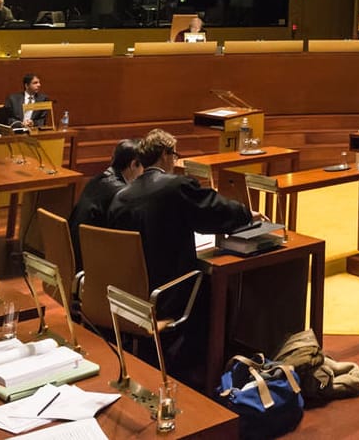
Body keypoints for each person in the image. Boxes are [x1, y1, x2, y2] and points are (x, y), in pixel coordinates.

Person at [106, 129, 255, 379]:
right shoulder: (176, 186)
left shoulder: (121, 196)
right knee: (218, 290)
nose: (175, 161)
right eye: (174, 155)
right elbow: (215, 212)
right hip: (165, 295)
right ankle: (207, 372)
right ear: (165, 155)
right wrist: (247, 215)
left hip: (127, 294)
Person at [69, 139, 142, 269]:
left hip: (73, 257)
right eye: (143, 166)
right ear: (133, 165)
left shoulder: (95, 180)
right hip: (93, 264)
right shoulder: (122, 194)